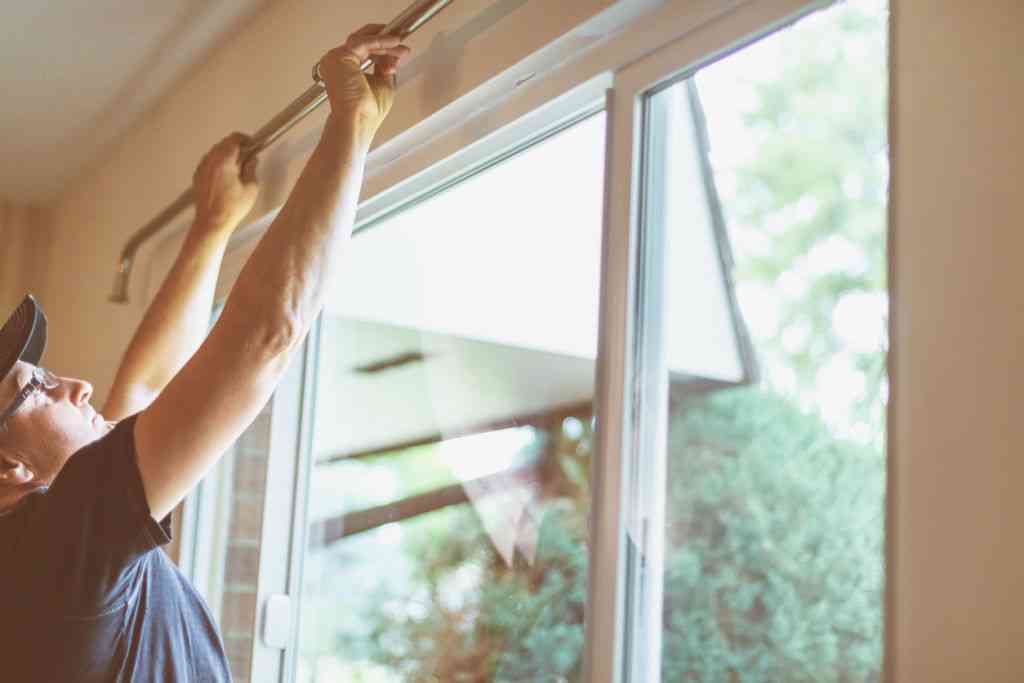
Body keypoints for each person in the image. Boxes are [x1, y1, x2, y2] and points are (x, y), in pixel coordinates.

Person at [0, 25, 411, 682]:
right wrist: (350, 123)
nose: (74, 385)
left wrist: (211, 226)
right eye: (38, 389)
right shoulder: (51, 553)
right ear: (7, 465)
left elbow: (143, 393)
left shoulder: (41, 551)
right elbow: (263, 336)